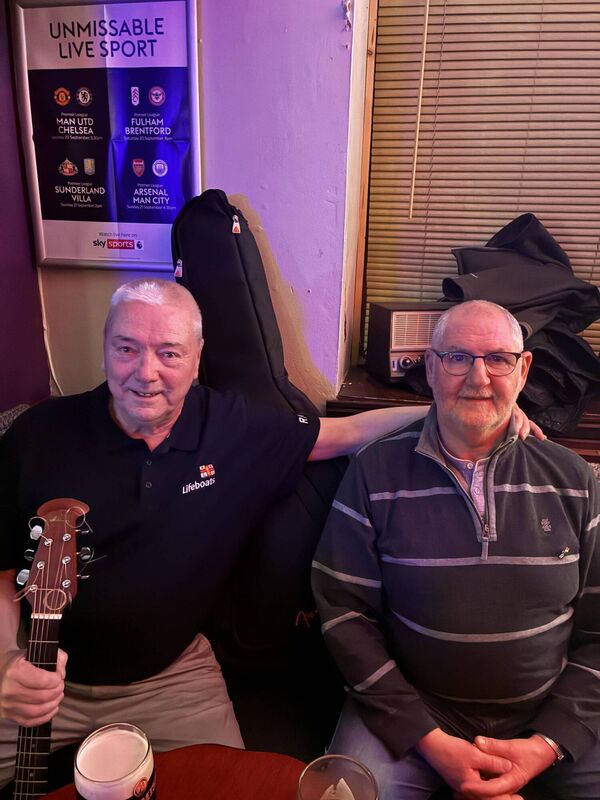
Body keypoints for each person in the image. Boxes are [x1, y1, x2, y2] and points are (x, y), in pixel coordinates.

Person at [0, 282, 538, 789]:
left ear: (196, 358)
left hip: (172, 676)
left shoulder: (229, 426)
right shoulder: (36, 437)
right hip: (35, 666)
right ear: (104, 347)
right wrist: (5, 662)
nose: (146, 372)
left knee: (228, 789)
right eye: (126, 348)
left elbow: (343, 434)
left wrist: (465, 407)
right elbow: (2, 569)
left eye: (169, 353)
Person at [312, 300, 600, 800]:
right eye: (457, 357)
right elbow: (344, 615)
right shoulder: (374, 472)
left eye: (498, 359)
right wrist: (427, 738)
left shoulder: (574, 479)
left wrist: (547, 744)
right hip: (415, 711)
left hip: (549, 711)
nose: (478, 377)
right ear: (430, 367)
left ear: (523, 369)